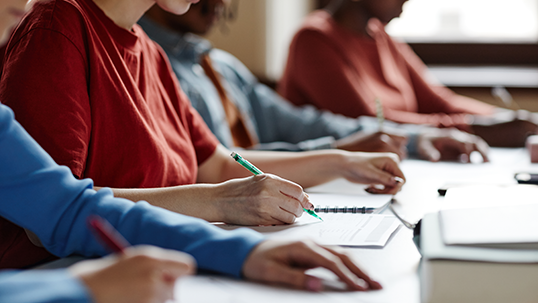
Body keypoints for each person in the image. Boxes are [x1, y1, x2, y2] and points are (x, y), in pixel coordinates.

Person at [0, 1, 382, 300]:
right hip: (60, 273)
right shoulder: (56, 27)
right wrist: (217, 203)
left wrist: (242, 252)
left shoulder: (151, 52)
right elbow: (50, 219)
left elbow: (212, 164)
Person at [140, 0, 490, 162]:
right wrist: (335, 152)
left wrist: (414, 139)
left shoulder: (220, 65)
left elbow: (304, 124)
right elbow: (218, 164)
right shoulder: (151, 66)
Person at [279, 0, 538, 148]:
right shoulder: (313, 40)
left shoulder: (382, 37)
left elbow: (438, 101)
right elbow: (368, 123)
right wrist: (475, 129)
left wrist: (512, 119)